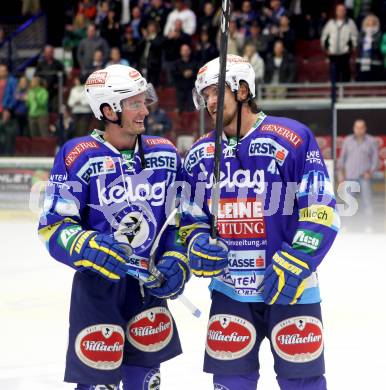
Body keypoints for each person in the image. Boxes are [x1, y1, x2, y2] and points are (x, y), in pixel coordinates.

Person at [180, 55, 340, 390]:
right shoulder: (199, 153)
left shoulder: (293, 136)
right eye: (204, 95)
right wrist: (196, 243)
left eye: (216, 92)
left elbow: (321, 208)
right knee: (230, 383)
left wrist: (298, 259)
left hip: (291, 286)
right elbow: (191, 216)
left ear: (242, 89)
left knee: (304, 383)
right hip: (230, 291)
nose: (209, 102)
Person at [38, 64, 190, 389]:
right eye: (134, 103)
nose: (145, 110)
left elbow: (187, 217)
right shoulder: (76, 155)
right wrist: (86, 245)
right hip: (97, 290)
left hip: (148, 289)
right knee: (98, 383)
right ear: (108, 110)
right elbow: (53, 225)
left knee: (146, 383)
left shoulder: (164, 153)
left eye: (143, 101)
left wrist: (177, 258)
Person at [338, 119, 379, 223]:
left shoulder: (371, 141)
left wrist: (370, 172)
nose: (359, 130)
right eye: (357, 127)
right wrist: (341, 176)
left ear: (365, 129)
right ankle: (348, 227)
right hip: (349, 177)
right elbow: (342, 159)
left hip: (364, 177)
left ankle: (369, 226)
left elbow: (375, 159)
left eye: (361, 128)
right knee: (348, 203)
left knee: (367, 202)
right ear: (354, 129)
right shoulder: (347, 140)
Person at [321, 3, 358, 82]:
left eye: (343, 10)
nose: (341, 12)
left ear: (345, 11)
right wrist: (326, 48)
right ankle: (334, 93)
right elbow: (324, 37)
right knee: (334, 75)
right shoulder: (330, 23)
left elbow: (355, 37)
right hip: (333, 54)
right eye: (339, 10)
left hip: (345, 54)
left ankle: (345, 93)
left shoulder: (350, 23)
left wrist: (351, 48)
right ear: (336, 12)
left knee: (345, 75)